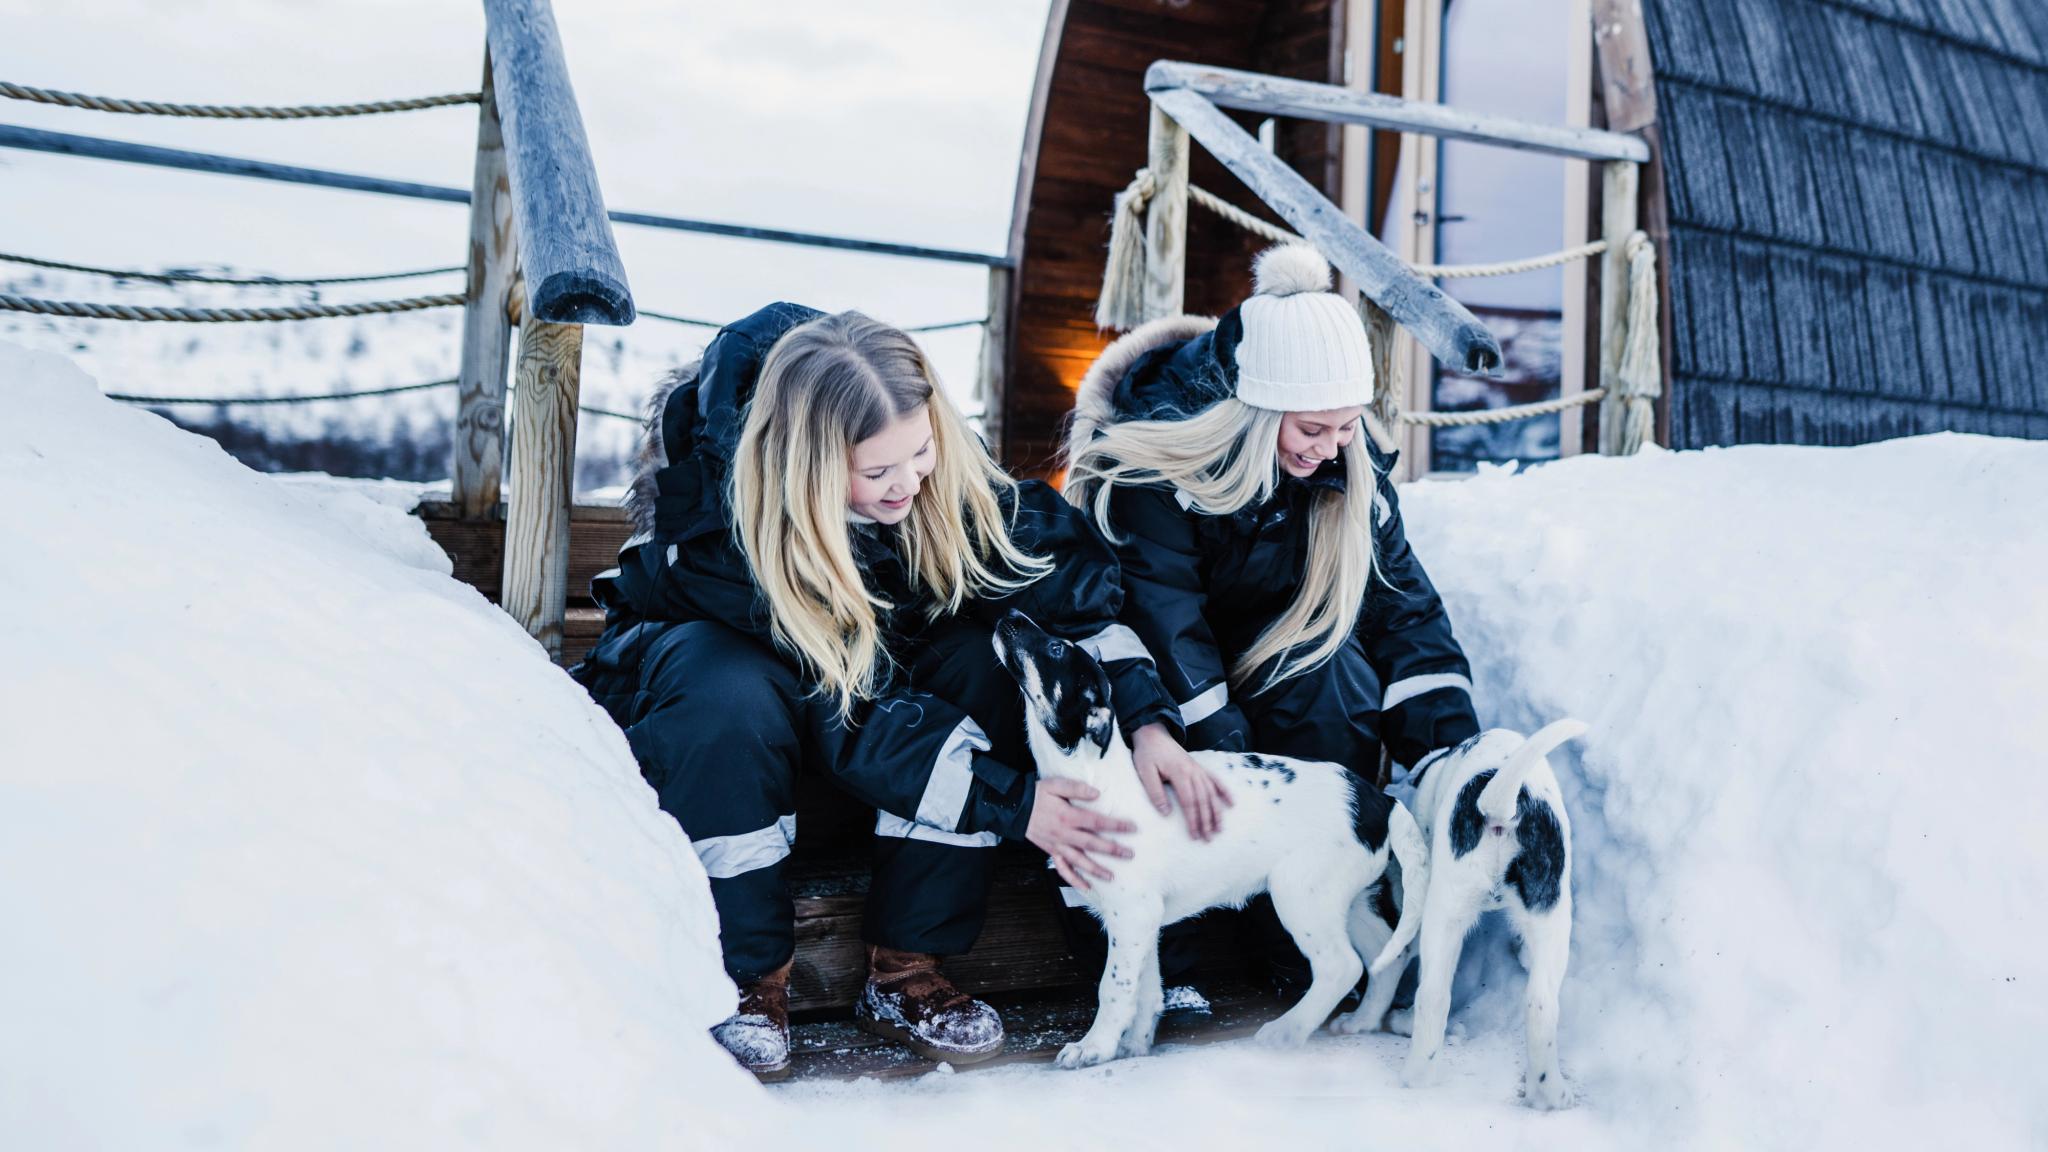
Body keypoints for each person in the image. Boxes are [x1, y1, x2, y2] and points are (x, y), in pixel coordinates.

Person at [572, 304, 1185, 1080]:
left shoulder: (934, 475)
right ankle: (743, 975)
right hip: (736, 746)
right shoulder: (727, 533)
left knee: (985, 652)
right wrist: (1013, 802)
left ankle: (905, 966)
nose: (907, 485)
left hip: (869, 738)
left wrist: (1149, 721)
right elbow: (848, 711)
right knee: (726, 686)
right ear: (810, 465)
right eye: (877, 471)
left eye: (921, 453)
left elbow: (1067, 587)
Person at [1061, 243, 1483, 990]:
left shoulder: (1345, 469)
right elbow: (1160, 614)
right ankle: (1171, 960)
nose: (1331, 451)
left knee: (1333, 681)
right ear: (1254, 412)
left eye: (1348, 426)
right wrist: (1231, 747)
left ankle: (1309, 942)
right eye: (1312, 430)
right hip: (1155, 677)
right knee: (1184, 752)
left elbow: (1402, 608)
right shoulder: (1151, 469)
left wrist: (1450, 748)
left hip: (1262, 659)